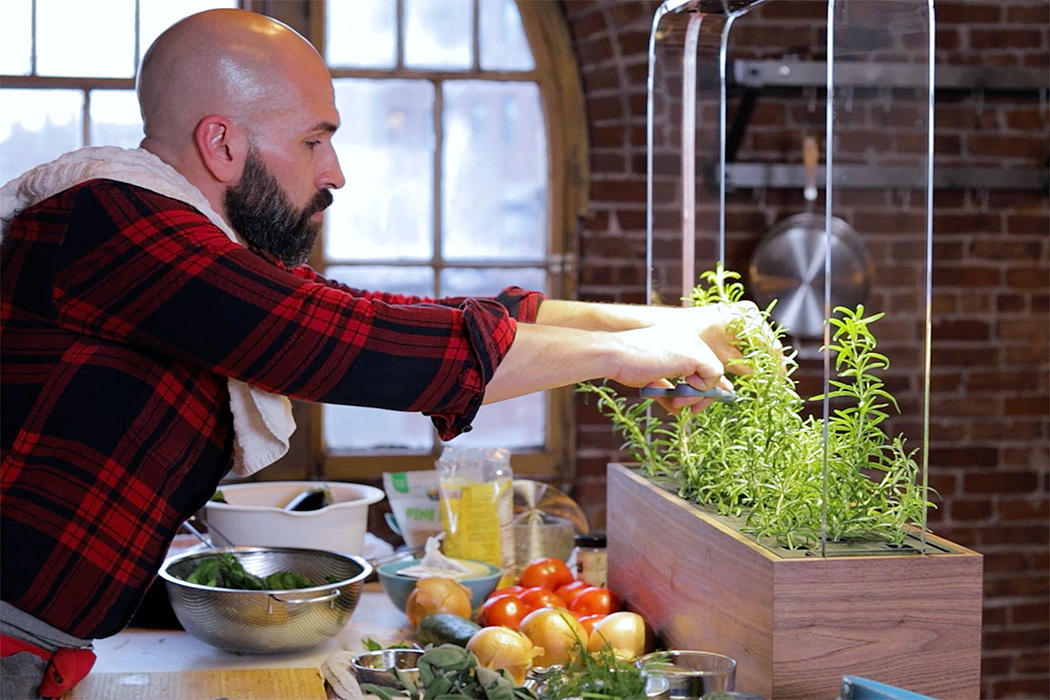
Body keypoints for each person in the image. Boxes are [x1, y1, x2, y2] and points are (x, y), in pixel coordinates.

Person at [0, 9, 764, 699]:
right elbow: (348, 342)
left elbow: (388, 316)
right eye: (314, 139)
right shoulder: (114, 223)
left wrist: (659, 327)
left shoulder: (167, 239)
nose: (334, 172)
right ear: (222, 142)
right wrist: (624, 352)